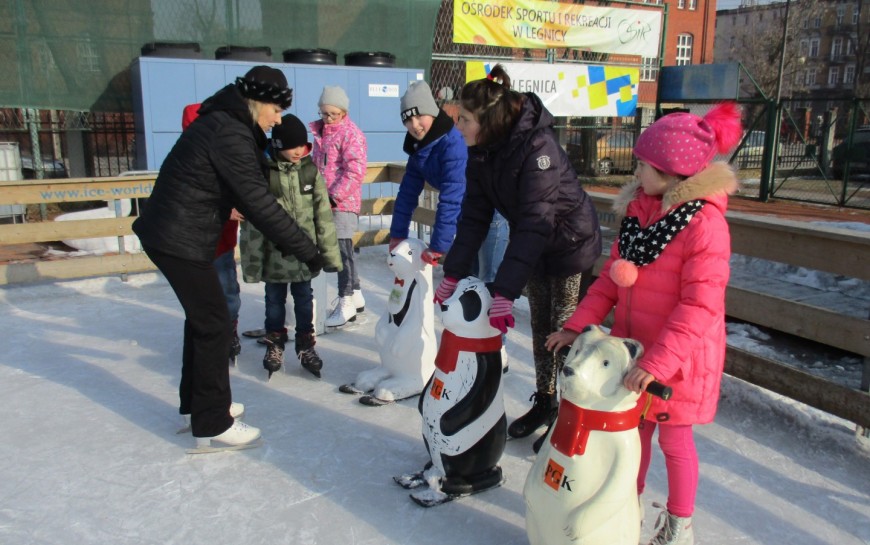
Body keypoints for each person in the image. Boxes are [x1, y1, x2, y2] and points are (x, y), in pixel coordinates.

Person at [545, 103, 743, 545]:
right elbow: (610, 282)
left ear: (672, 172)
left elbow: (699, 306)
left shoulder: (704, 225)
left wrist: (658, 362)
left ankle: (678, 527)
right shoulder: (639, 213)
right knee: (633, 436)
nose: (634, 169)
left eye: (643, 164)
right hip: (636, 353)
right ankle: (622, 511)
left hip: (678, 362)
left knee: (674, 443)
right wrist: (579, 325)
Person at [133, 66, 325, 450]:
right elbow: (259, 203)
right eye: (276, 108)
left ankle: (198, 405)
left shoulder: (226, 123)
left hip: (176, 235)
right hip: (178, 238)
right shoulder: (230, 132)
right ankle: (212, 421)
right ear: (257, 101)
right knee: (214, 321)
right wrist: (307, 249)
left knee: (205, 319)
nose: (278, 118)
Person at [434, 64, 602, 447]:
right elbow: (474, 216)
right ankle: (546, 401)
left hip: (570, 245)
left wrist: (504, 290)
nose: (458, 127)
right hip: (536, 247)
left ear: (489, 120)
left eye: (465, 120)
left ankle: (571, 412)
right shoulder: (482, 150)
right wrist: (453, 272)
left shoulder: (537, 148)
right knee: (541, 330)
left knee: (565, 332)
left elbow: (534, 223)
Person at [239, 114, 341, 380]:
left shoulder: (310, 171)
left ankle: (306, 345)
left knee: (304, 301)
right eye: (292, 146)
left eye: (302, 145)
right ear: (277, 145)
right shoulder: (265, 173)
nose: (299, 151)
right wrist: (253, 263)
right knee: (274, 301)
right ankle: (275, 343)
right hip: (275, 256)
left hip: (305, 255)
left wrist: (329, 255)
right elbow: (254, 223)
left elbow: (323, 216)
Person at [181, 103, 244, 366]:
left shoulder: (225, 154)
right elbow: (188, 195)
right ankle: (206, 337)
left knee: (227, 289)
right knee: (201, 296)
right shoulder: (185, 159)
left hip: (222, 241)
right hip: (195, 242)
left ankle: (228, 332)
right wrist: (222, 207)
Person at [389, 80, 467, 264]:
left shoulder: (453, 144)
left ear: (431, 112)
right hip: (466, 215)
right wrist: (397, 235)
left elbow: (451, 198)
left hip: (488, 215)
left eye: (419, 116)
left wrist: (438, 246)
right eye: (407, 119)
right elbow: (407, 193)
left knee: (484, 279)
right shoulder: (419, 148)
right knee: (465, 278)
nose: (414, 125)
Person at [309, 86, 368, 327]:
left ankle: (345, 301)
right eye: (325, 113)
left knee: (342, 251)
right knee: (342, 249)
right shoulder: (320, 134)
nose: (329, 118)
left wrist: (334, 197)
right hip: (325, 200)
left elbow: (355, 171)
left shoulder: (351, 134)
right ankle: (356, 293)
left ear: (344, 112)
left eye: (334, 114)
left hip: (343, 203)